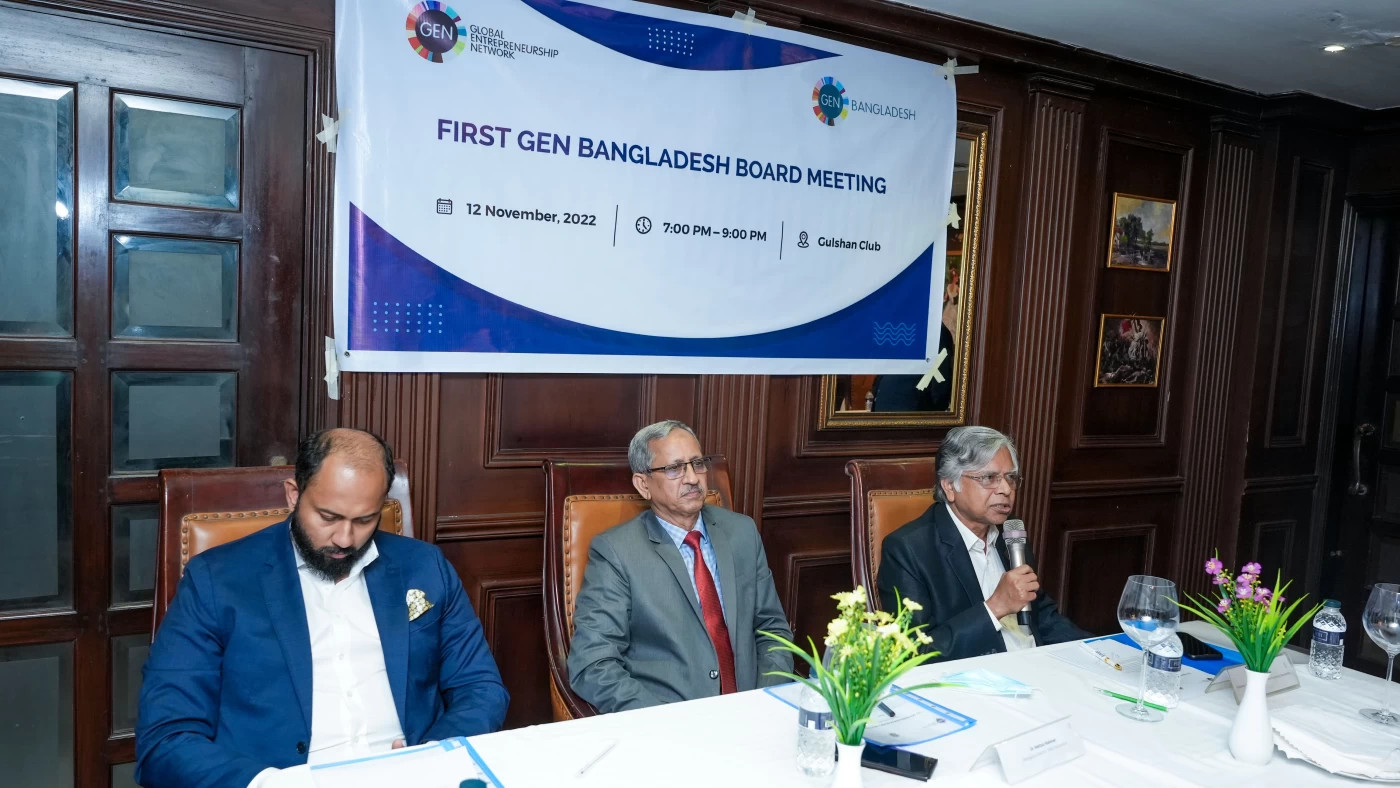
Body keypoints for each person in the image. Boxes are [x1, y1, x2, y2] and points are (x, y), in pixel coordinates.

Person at [136, 429, 508, 788]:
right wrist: (272, 784)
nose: (345, 539)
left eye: (364, 520)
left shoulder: (425, 566)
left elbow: (480, 687)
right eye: (328, 517)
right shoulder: (215, 580)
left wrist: (432, 756)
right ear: (293, 495)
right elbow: (165, 739)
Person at [568, 420, 794, 712]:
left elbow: (772, 630)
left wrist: (765, 702)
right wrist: (667, 721)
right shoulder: (616, 552)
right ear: (643, 485)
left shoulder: (742, 532)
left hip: (754, 712)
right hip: (670, 721)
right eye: (674, 468)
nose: (692, 478)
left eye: (697, 464)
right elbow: (593, 664)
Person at [877, 426, 1088, 661]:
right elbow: (914, 654)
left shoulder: (1012, 534)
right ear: (950, 486)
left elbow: (1041, 615)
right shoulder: (907, 549)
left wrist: (1096, 650)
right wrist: (994, 608)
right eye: (989, 478)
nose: (1006, 490)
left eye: (1011, 478)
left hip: (1037, 664)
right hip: (976, 676)